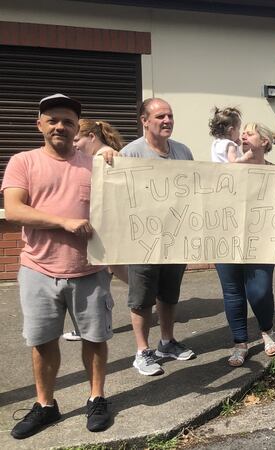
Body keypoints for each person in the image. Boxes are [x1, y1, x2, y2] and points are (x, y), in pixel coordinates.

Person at [2, 94, 114, 438]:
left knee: (95, 339)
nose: (60, 126)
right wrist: (63, 222)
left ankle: (96, 398)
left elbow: (127, 199)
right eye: (52, 120)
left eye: (67, 121)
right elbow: (15, 210)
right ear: (40, 125)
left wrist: (116, 160)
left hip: (89, 270)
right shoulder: (23, 161)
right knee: (43, 341)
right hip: (38, 269)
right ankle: (46, 405)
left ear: (75, 127)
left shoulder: (95, 164)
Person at [119, 98, 196, 376]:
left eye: (170, 116)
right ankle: (143, 352)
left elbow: (194, 191)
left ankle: (166, 342)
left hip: (175, 239)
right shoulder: (130, 154)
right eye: (160, 116)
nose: (167, 121)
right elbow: (119, 198)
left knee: (169, 294)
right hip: (143, 242)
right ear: (144, 120)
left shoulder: (183, 152)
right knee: (141, 298)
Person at [212, 120, 275, 366]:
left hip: (261, 240)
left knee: (260, 291)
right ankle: (240, 342)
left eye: (249, 133)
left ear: (264, 141)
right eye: (242, 133)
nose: (243, 136)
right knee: (232, 293)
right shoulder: (228, 166)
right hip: (226, 239)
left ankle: (267, 330)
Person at [62, 119, 127, 342]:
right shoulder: (98, 156)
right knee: (110, 272)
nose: (74, 144)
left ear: (91, 137)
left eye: (77, 139)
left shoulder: (104, 157)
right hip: (103, 226)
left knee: (99, 276)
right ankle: (151, 296)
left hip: (103, 227)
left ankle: (90, 326)